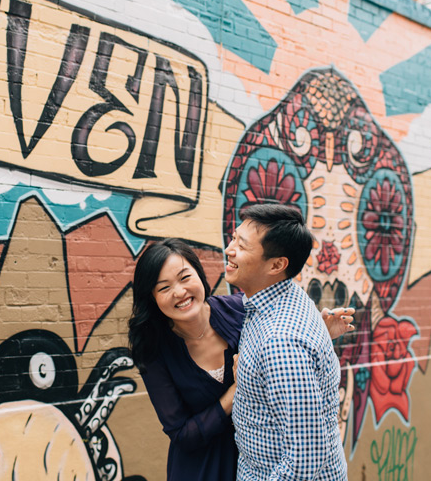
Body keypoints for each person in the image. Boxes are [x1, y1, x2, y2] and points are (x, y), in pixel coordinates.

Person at [128, 237, 353, 481]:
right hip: (203, 469)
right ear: (152, 298)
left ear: (200, 275)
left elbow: (284, 349)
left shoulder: (241, 309)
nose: (180, 292)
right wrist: (238, 389)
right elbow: (183, 434)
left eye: (185, 278)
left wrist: (317, 334)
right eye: (164, 288)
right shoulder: (153, 351)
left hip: (264, 461)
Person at [227, 204, 347, 480]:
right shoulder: (282, 296)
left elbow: (306, 458)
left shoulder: (281, 342)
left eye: (241, 247)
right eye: (234, 238)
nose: (229, 250)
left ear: (277, 265)